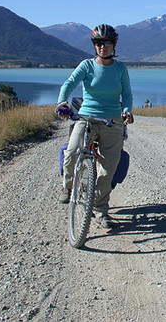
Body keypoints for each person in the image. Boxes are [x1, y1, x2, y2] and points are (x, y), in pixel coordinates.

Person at [55, 24, 134, 228]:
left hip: (112, 121)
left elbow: (126, 93)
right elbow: (69, 84)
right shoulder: (87, 66)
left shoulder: (120, 68)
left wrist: (127, 110)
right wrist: (62, 102)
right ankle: (68, 186)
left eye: (107, 43)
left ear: (113, 45)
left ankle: (101, 211)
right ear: (94, 45)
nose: (102, 47)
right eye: (98, 43)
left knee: (107, 170)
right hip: (86, 117)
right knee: (72, 152)